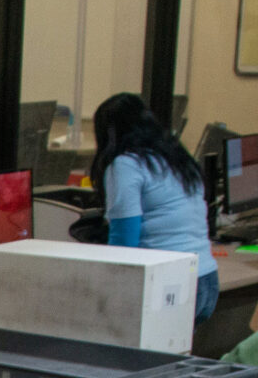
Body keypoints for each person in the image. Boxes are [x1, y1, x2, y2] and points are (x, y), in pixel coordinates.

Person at [89, 92, 219, 323]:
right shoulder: (178, 159)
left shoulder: (126, 165)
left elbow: (124, 244)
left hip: (170, 284)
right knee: (176, 357)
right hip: (207, 279)